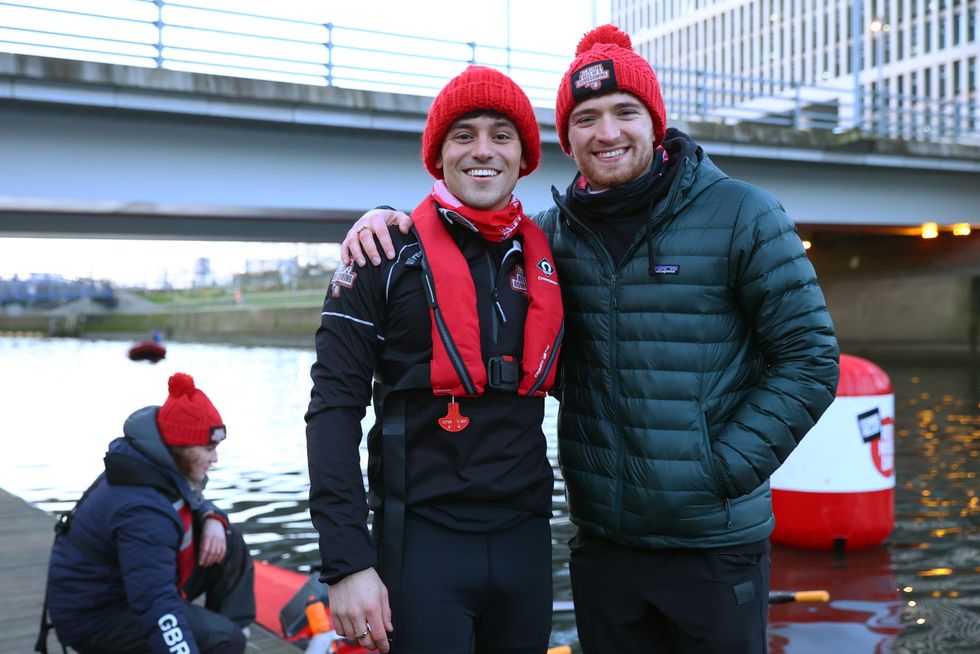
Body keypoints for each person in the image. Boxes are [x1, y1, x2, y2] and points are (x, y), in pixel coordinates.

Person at [340, 25, 840, 654]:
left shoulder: (744, 214)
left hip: (714, 545)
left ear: (654, 122)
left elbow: (812, 360)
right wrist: (384, 217)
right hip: (605, 546)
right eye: (586, 119)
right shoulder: (547, 241)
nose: (606, 133)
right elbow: (462, 239)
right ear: (565, 140)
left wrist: (721, 469)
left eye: (624, 112)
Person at [305, 65, 563, 654]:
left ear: (524, 155)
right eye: (463, 134)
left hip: (525, 539)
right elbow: (333, 412)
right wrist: (346, 564)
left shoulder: (549, 252)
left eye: (501, 134)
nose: (483, 150)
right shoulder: (382, 254)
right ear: (437, 153)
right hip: (422, 544)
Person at [42, 373, 255, 654]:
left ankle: (228, 629)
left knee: (227, 537)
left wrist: (212, 517)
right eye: (209, 449)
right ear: (180, 446)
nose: (215, 458)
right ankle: (222, 639)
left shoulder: (153, 465)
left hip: (127, 588)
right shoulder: (143, 511)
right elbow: (156, 604)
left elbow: (193, 498)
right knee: (223, 640)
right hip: (94, 617)